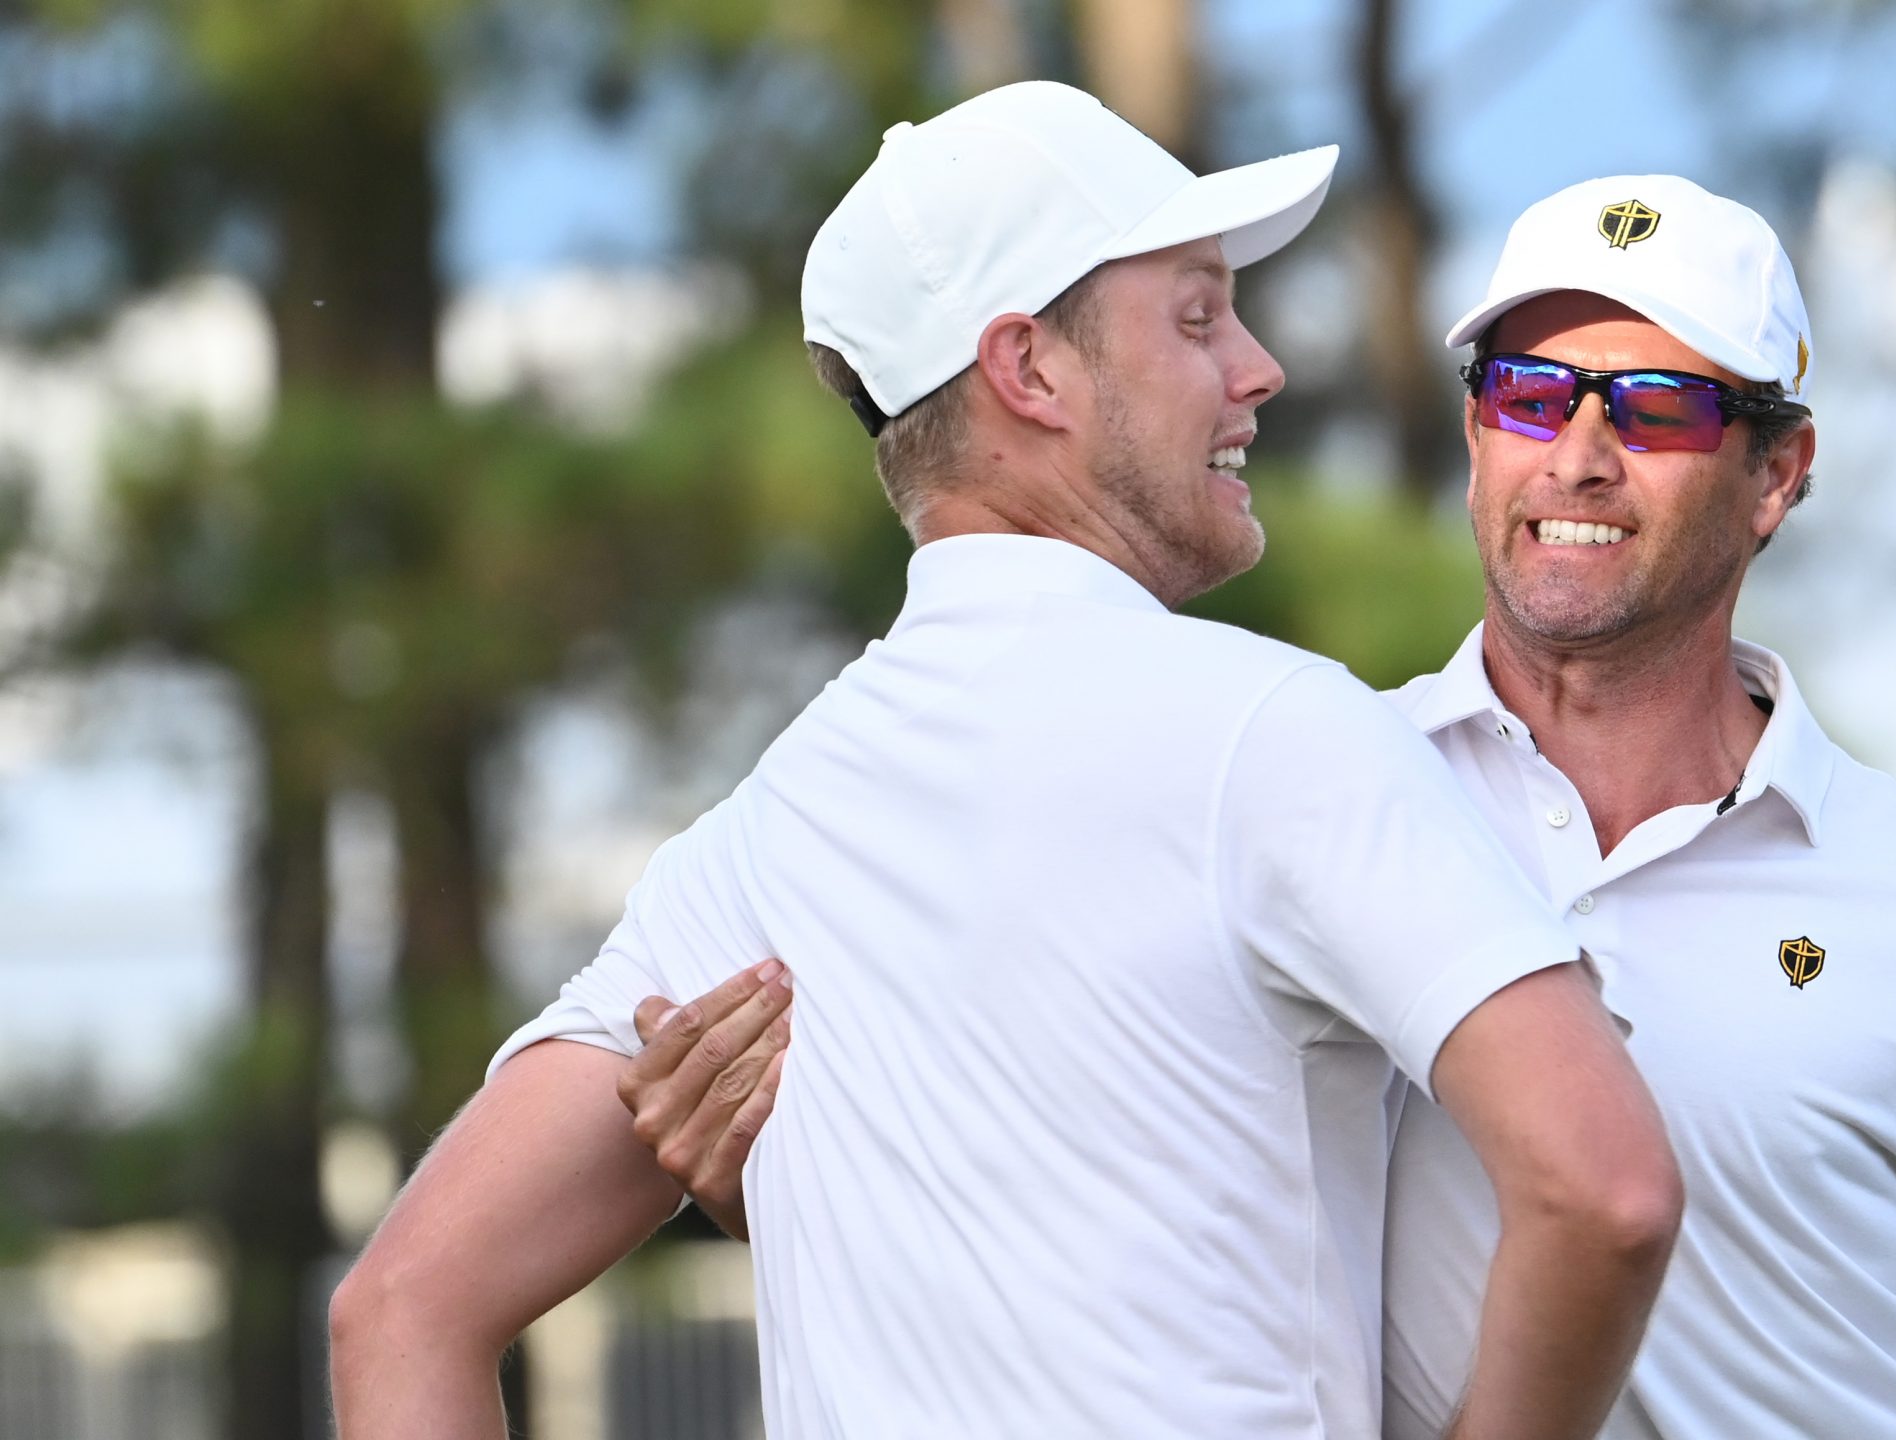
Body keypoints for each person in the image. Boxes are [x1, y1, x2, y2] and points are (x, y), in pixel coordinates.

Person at [629, 175, 1896, 1439]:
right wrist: (783, 1176)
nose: (1581, 452)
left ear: (1781, 472)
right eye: (1530, 392)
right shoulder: (1307, 791)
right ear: (1477, 433)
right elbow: (1062, 1210)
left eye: (1665, 404)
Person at [327, 85, 1683, 1440]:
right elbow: (1605, 1190)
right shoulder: (1276, 731)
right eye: (1198, 315)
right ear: (1028, 370)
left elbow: (401, 1312)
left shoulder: (756, 848)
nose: (1257, 367)